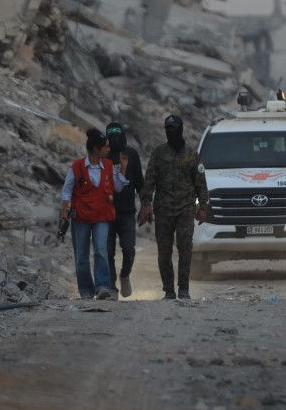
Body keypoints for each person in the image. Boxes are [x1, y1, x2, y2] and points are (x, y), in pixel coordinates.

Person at [138, 115, 208, 300]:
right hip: (163, 210)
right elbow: (149, 180)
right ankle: (169, 290)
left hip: (186, 208)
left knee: (185, 249)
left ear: (181, 130)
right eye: (168, 129)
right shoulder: (159, 153)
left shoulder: (192, 154)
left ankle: (184, 288)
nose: (171, 132)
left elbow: (200, 182)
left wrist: (203, 206)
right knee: (164, 251)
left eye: (174, 129)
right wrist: (146, 203)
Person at [60, 129, 130, 300]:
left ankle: (102, 287)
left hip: (102, 217)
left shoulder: (108, 166)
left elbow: (118, 187)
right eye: (106, 147)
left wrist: (123, 169)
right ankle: (86, 290)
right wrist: (64, 210)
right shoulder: (77, 166)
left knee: (100, 250)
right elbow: (67, 189)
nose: (109, 149)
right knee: (81, 255)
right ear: (96, 149)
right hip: (81, 217)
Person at [105, 122, 143, 298]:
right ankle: (111, 287)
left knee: (129, 249)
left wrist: (146, 204)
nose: (115, 138)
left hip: (127, 212)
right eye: (111, 135)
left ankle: (125, 275)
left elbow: (140, 182)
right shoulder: (104, 156)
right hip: (106, 212)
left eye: (117, 134)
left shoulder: (131, 154)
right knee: (108, 251)